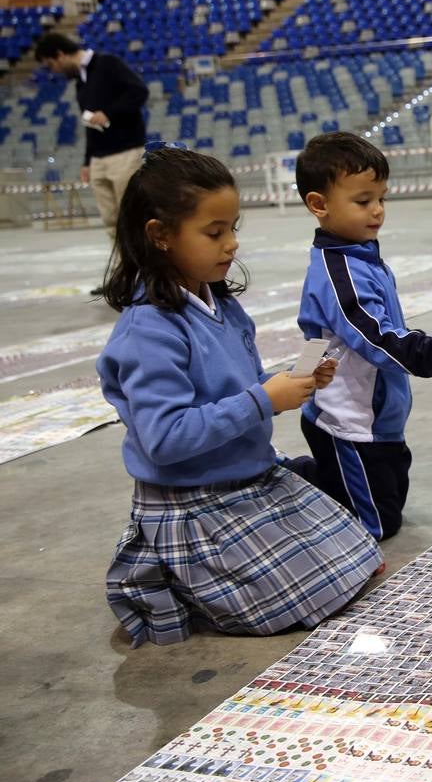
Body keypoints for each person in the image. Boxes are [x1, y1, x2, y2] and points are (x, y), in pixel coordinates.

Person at [96, 147, 383, 647]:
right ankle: (175, 581)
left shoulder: (220, 304)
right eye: (214, 233)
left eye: (233, 229)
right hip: (192, 501)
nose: (230, 245)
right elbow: (164, 439)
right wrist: (265, 399)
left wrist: (293, 380)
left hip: (250, 477)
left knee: (360, 559)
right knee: (306, 596)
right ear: (160, 235)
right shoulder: (150, 330)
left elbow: (238, 387)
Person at [294, 133, 432, 540]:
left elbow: (339, 331)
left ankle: (322, 475)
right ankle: (293, 478)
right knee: (374, 527)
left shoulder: (363, 255)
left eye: (381, 198)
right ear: (319, 205)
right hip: (348, 424)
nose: (377, 211)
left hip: (382, 420)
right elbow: (384, 341)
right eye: (363, 201)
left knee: (392, 500)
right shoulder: (337, 271)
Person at [36, 33, 148, 293]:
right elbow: (89, 124)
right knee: (111, 222)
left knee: (131, 220)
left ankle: (146, 277)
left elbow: (139, 92)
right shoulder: (80, 84)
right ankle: (125, 278)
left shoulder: (108, 63)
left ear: (60, 55)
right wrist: (87, 160)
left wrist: (109, 113)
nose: (52, 71)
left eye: (50, 65)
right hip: (99, 158)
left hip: (125, 152)